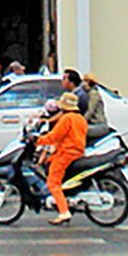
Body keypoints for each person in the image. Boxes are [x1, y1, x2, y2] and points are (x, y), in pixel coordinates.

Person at [37, 90, 89, 225]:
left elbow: (55, 136)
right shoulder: (80, 118)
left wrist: (38, 140)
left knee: (53, 183)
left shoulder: (66, 119)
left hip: (66, 153)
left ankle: (64, 212)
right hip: (77, 152)